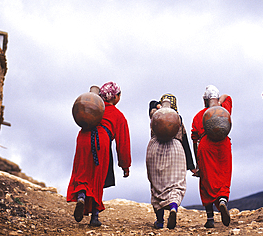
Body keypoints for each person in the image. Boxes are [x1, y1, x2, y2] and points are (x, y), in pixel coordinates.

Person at [67, 81, 131, 226]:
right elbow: (123, 143)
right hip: (101, 142)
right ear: (115, 97)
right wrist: (125, 165)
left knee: (83, 172)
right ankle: (94, 217)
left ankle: (81, 196)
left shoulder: (91, 108)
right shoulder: (118, 115)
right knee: (97, 178)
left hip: (83, 138)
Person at [146, 93, 196, 229]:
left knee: (157, 185)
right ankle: (173, 207)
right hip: (176, 149)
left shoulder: (155, 115)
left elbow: (151, 104)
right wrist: (191, 165)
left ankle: (160, 221)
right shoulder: (177, 118)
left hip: (155, 149)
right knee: (175, 184)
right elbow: (185, 142)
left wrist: (159, 106)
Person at [191, 85, 232, 228]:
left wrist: (197, 164)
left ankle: (210, 219)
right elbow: (227, 96)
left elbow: (194, 139)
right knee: (224, 176)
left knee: (206, 181)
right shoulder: (224, 111)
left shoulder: (198, 116)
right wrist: (218, 102)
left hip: (205, 147)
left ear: (204, 100)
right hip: (224, 146)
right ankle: (222, 200)